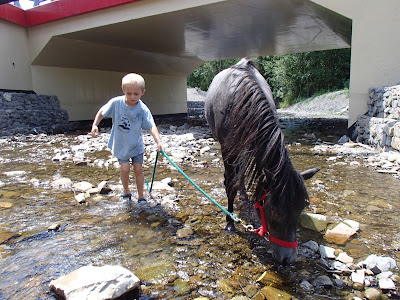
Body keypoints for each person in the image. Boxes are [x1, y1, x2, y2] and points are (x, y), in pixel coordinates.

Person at [91, 73, 163, 203]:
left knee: (138, 169)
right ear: (123, 91)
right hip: (121, 144)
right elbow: (102, 111)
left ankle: (141, 196)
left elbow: (151, 125)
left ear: (143, 92)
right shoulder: (116, 103)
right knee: (125, 168)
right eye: (128, 93)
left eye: (136, 94)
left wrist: (158, 142)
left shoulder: (142, 108)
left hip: (136, 145)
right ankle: (127, 192)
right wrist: (95, 125)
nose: (132, 97)